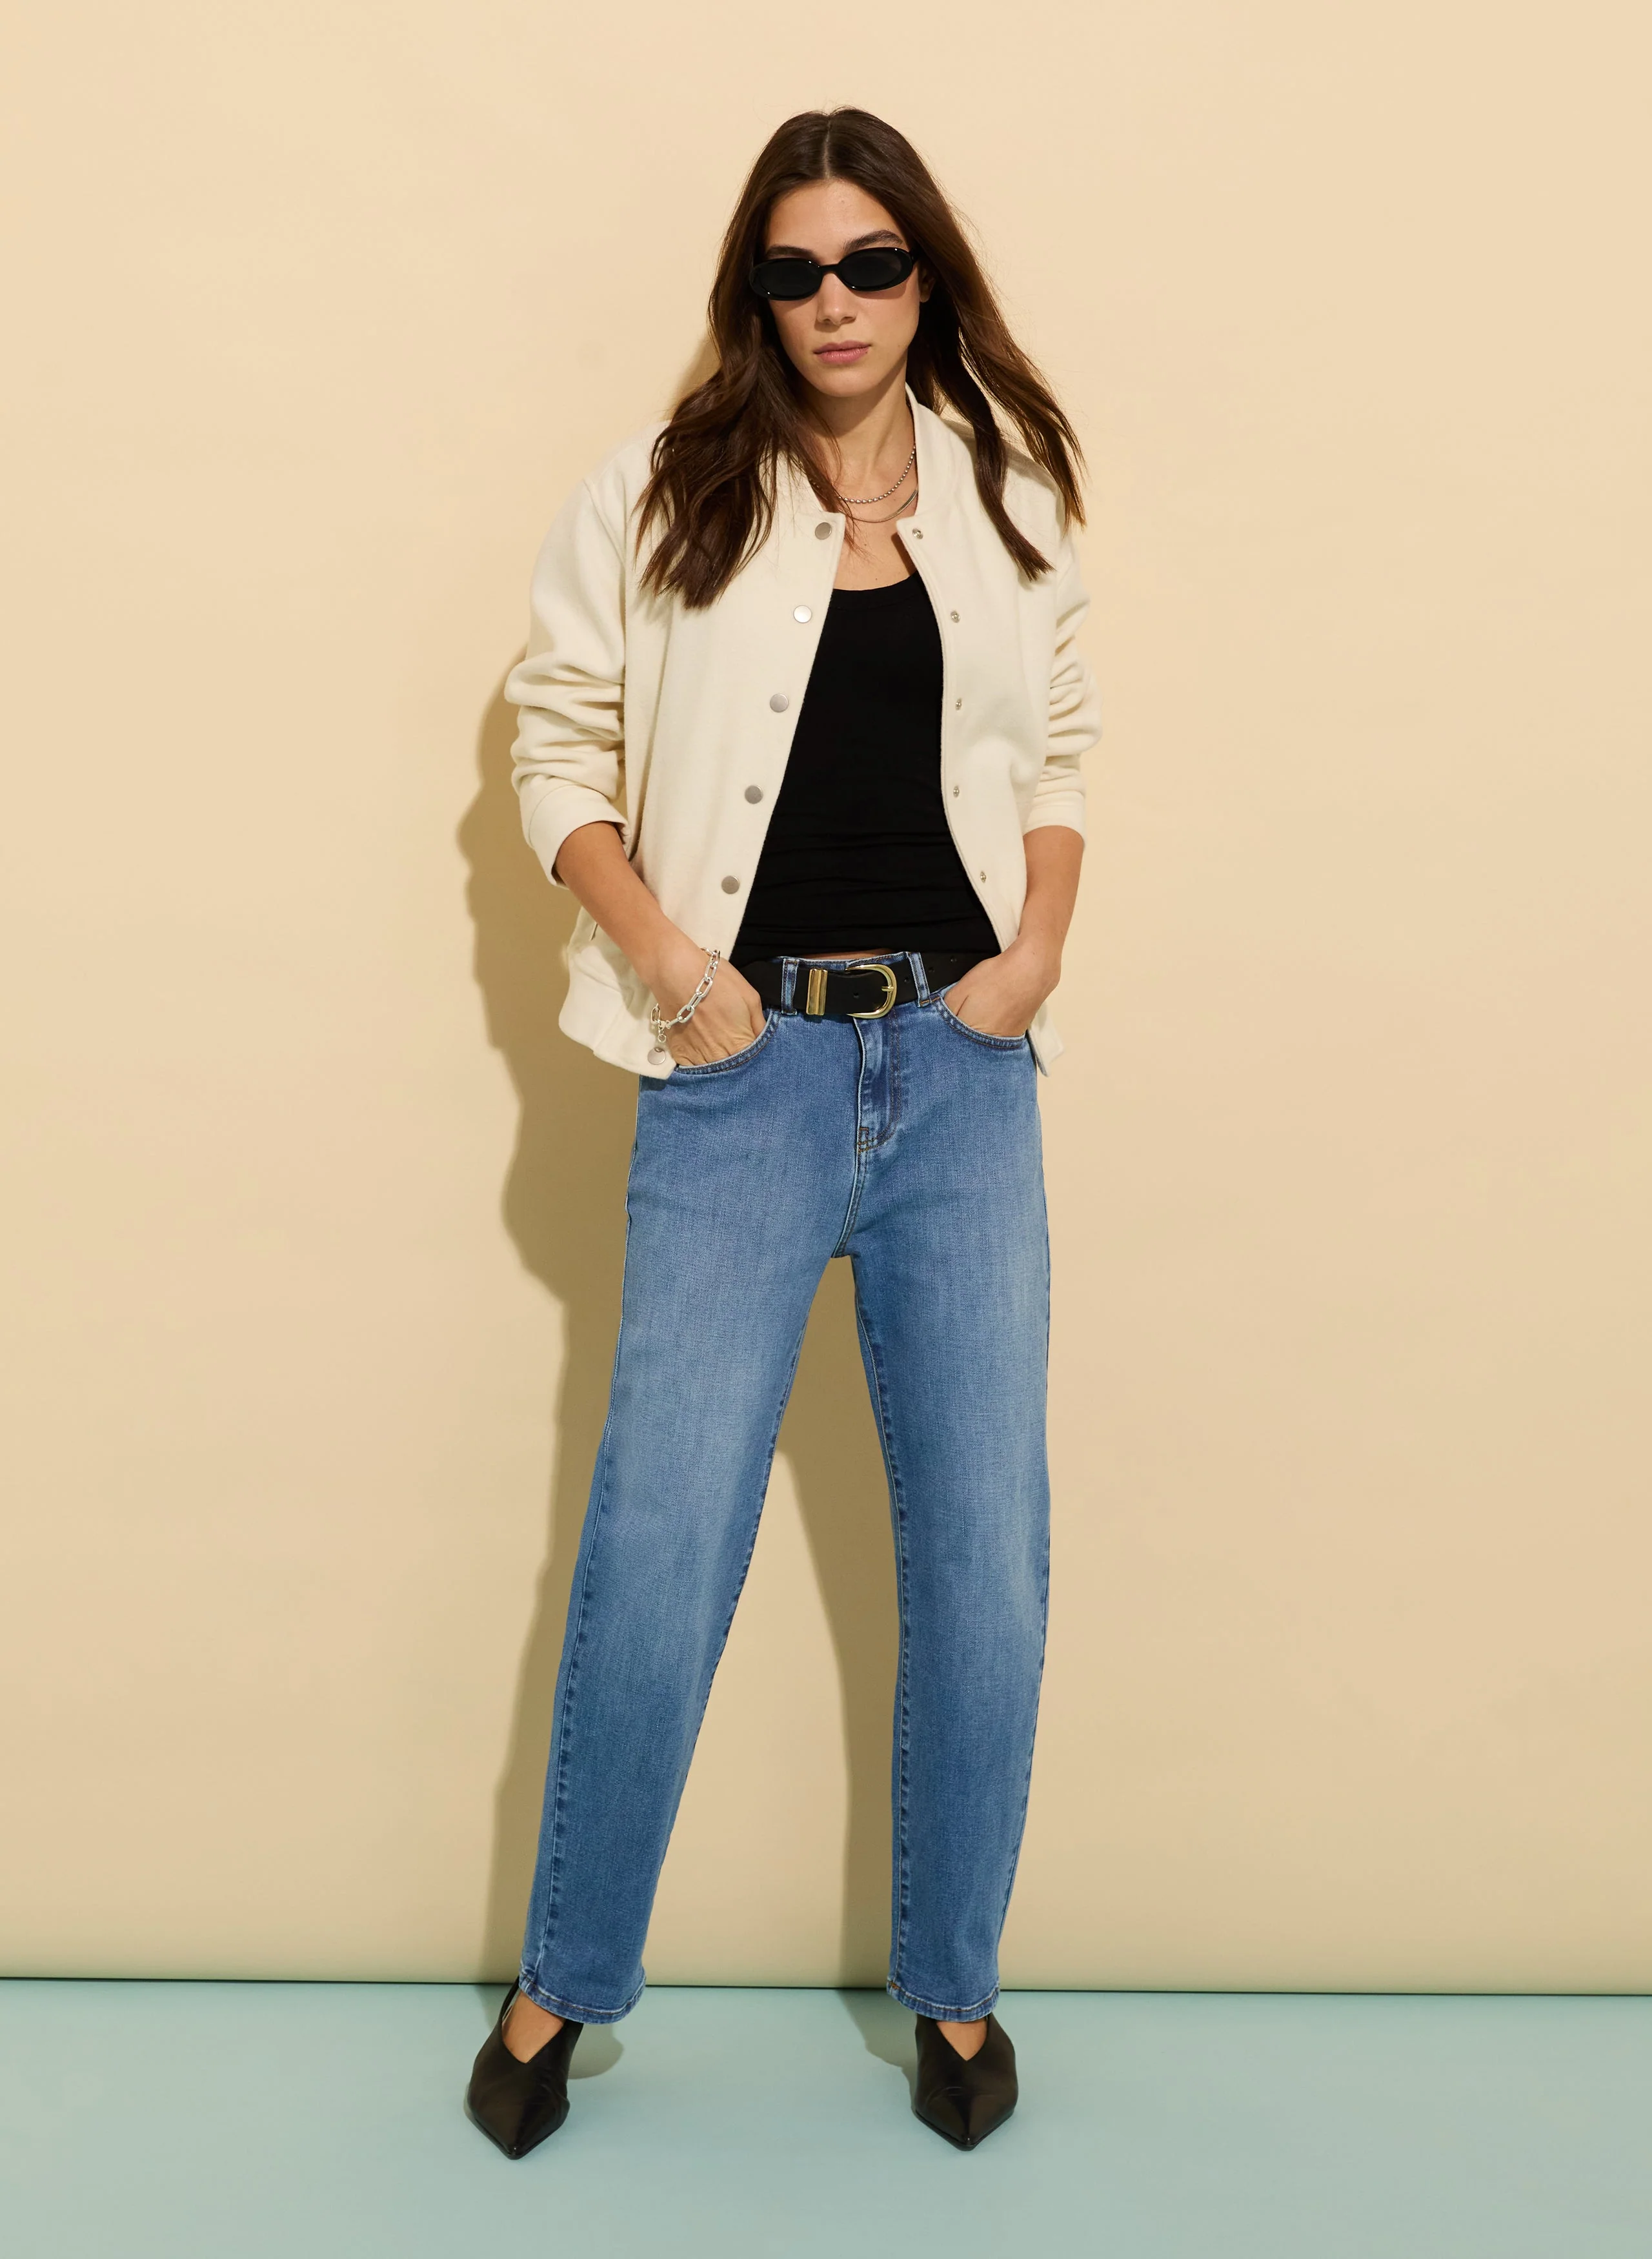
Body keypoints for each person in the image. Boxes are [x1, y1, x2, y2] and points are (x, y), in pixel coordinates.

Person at [465, 105, 1100, 2159]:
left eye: (872, 263)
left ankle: (956, 1984)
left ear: (928, 277)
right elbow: (555, 749)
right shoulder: (664, 493)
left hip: (962, 1074)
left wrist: (1036, 954)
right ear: (757, 289)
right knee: (662, 1537)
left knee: (988, 1553)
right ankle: (565, 1979)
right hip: (738, 1075)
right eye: (796, 269)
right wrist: (673, 963)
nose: (836, 302)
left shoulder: (1006, 495)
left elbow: (1061, 748)